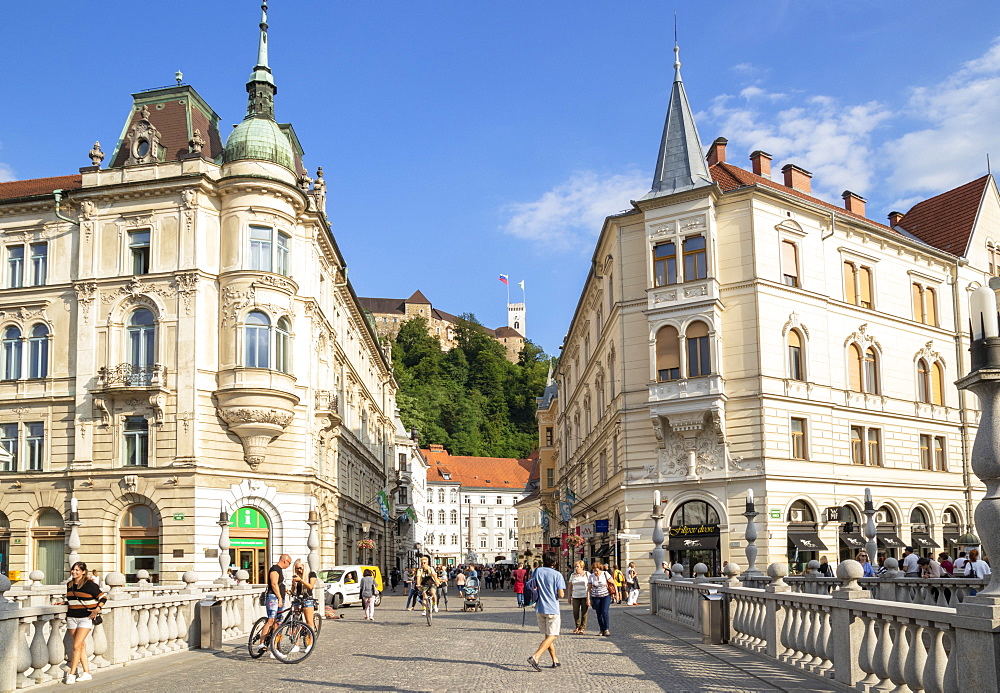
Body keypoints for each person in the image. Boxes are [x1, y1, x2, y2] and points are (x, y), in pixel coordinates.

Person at [57, 561, 105, 685]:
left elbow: (103, 597)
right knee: (80, 646)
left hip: (86, 618)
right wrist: (65, 603)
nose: (74, 572)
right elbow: (74, 599)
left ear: (83, 572)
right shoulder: (69, 584)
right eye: (73, 570)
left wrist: (97, 609)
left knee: (76, 646)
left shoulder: (89, 584)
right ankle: (87, 673)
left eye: (77, 570)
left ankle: (71, 674)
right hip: (72, 617)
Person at [526, 551, 566, 671]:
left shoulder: (537, 571)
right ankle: (535, 656)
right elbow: (561, 594)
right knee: (552, 636)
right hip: (552, 608)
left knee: (547, 636)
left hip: (540, 608)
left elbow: (532, 585)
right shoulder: (557, 575)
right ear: (554, 562)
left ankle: (555, 660)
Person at [260, 554, 291, 641]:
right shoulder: (275, 569)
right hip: (274, 598)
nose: (289, 565)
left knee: (278, 622)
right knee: (271, 620)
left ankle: (274, 646)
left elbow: (279, 584)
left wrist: (286, 590)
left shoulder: (280, 570)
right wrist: (279, 598)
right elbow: (274, 584)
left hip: (279, 597)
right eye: (289, 563)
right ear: (285, 561)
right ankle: (261, 643)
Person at [588, 563, 615, 637]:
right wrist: (588, 599)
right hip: (595, 596)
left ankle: (606, 629)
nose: (595, 572)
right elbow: (589, 588)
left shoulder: (605, 574)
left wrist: (616, 595)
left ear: (600, 569)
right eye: (594, 570)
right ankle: (601, 629)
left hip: (606, 595)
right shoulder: (591, 576)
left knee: (605, 611)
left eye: (596, 571)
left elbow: (613, 583)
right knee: (599, 613)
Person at [290, 559, 317, 629]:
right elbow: (293, 591)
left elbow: (310, 586)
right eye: (296, 569)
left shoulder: (311, 574)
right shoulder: (296, 576)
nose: (299, 570)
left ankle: (310, 639)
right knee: (296, 621)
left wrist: (301, 580)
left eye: (300, 568)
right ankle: (295, 639)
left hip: (307, 599)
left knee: (309, 622)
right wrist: (293, 585)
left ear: (304, 567)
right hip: (298, 598)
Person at [568, 560, 590, 634]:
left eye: (577, 566)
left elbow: (590, 586)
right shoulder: (572, 575)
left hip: (585, 595)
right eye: (575, 567)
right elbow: (570, 586)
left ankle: (582, 628)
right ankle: (577, 626)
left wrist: (589, 597)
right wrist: (569, 596)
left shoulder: (587, 574)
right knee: (575, 611)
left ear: (582, 567)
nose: (576, 568)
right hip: (575, 595)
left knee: (584, 612)